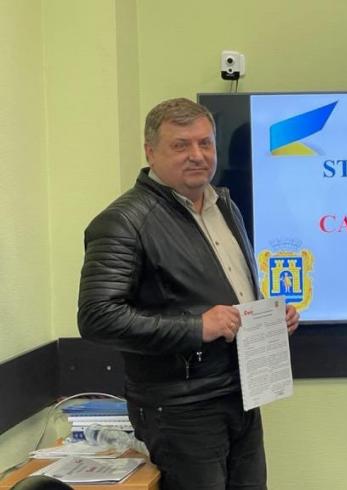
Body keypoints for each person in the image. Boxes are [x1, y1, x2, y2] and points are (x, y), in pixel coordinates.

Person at [77, 98, 300, 490]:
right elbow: (97, 317)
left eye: (205, 143)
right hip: (181, 409)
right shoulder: (123, 221)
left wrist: (266, 316)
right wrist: (196, 327)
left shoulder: (224, 205)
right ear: (150, 152)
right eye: (181, 145)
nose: (197, 155)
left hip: (241, 393)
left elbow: (223, 288)